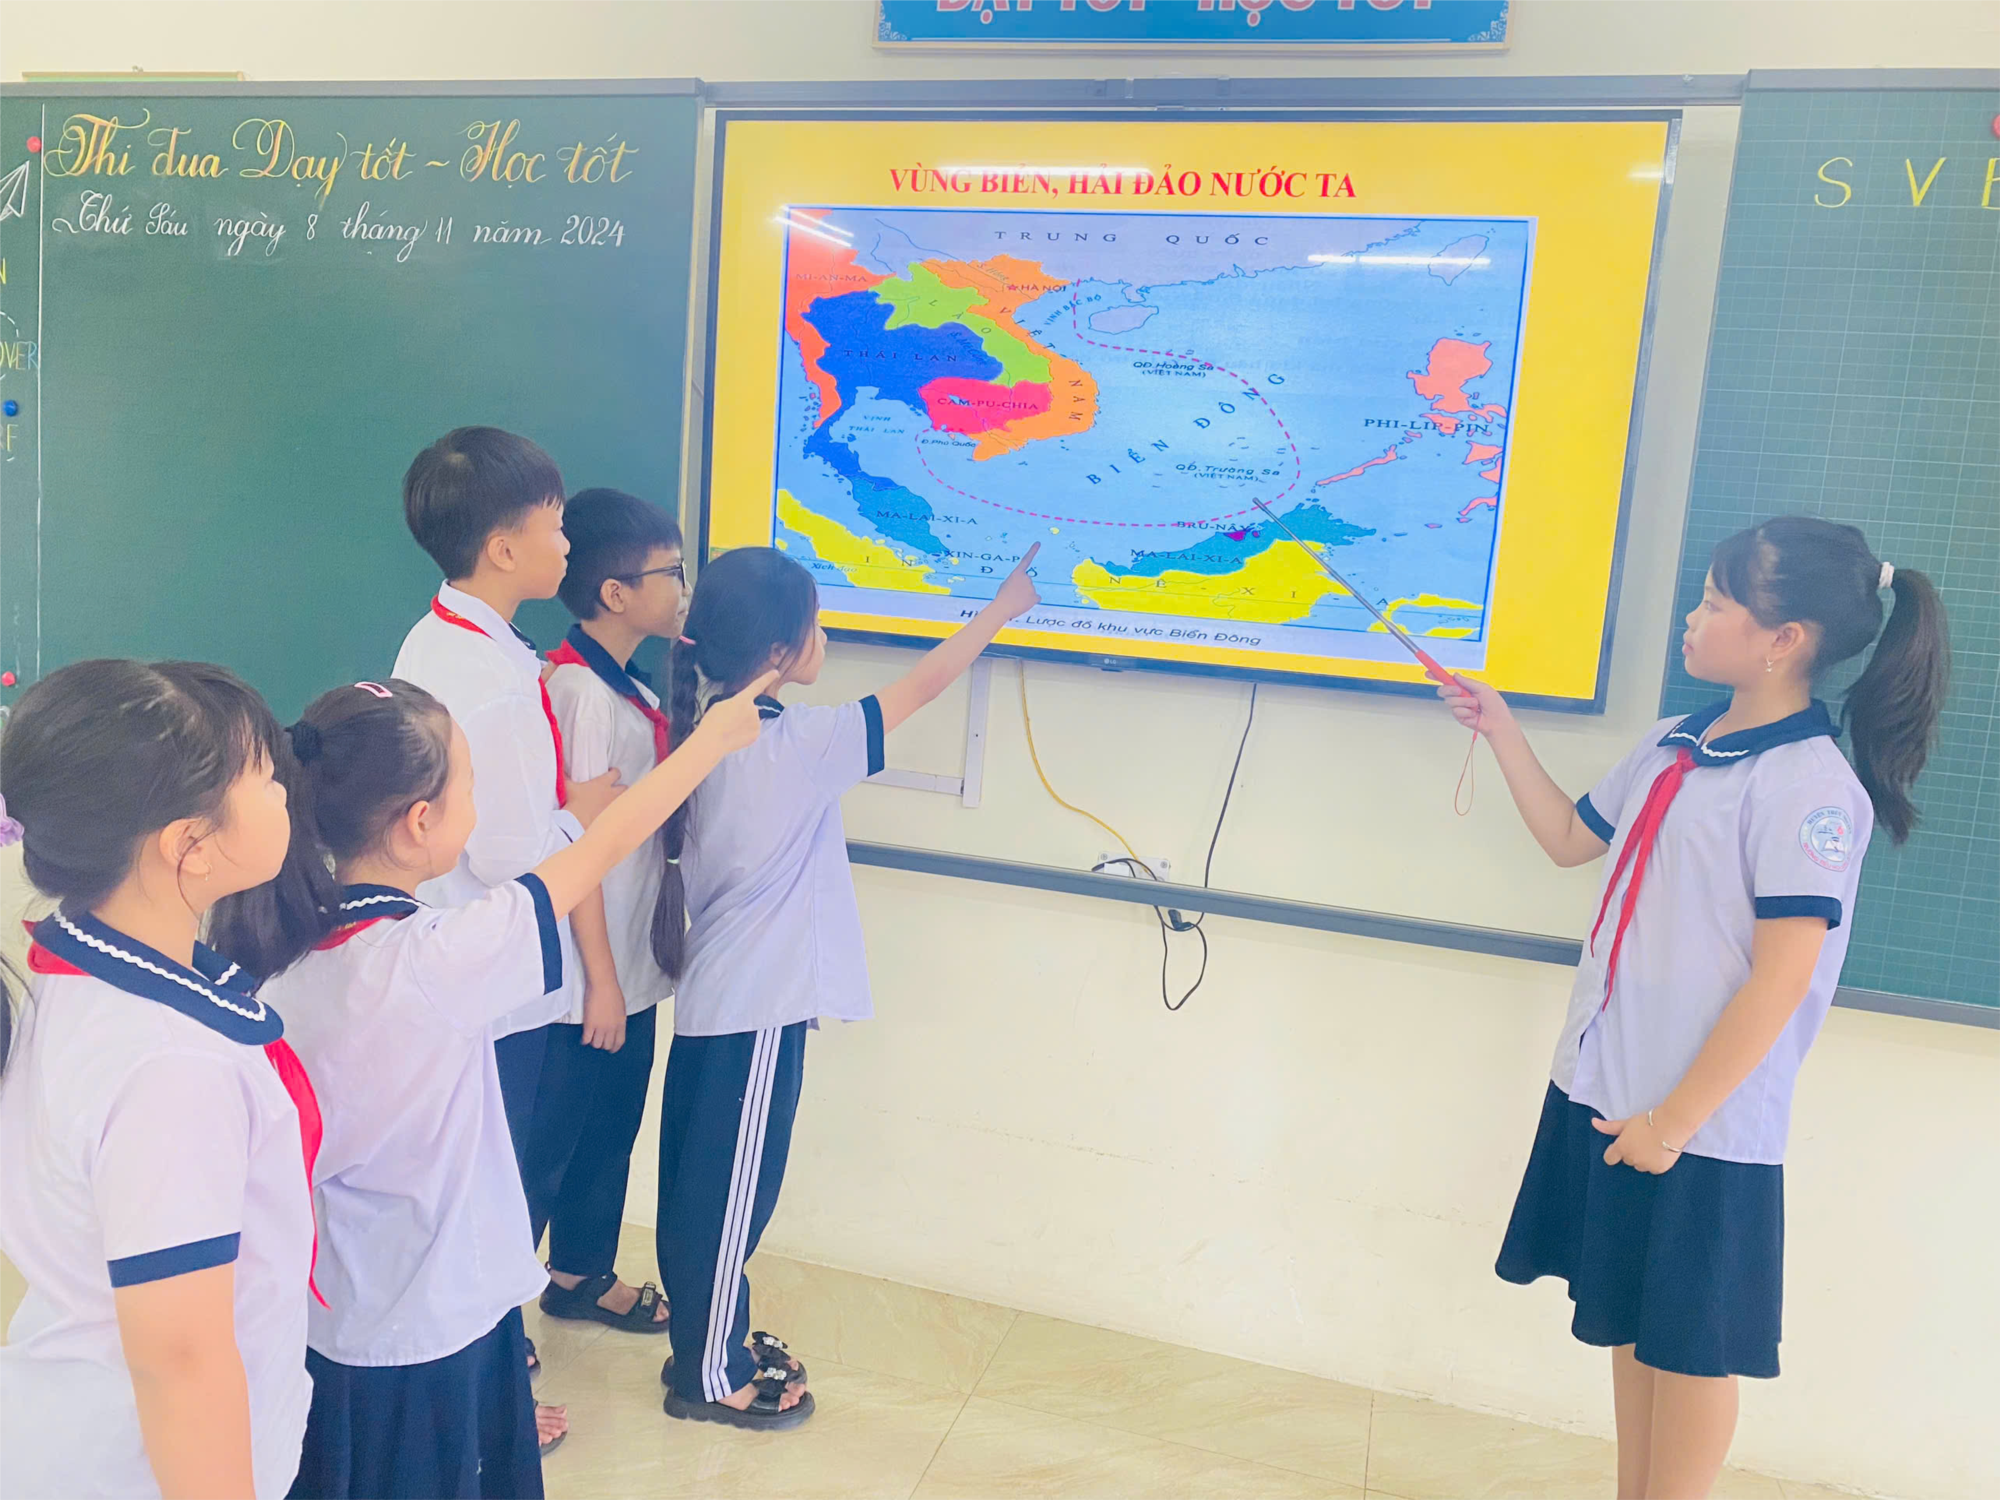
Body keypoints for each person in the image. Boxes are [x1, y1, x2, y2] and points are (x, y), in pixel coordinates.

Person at [1441, 517, 1950, 1500]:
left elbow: (1780, 980)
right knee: (1632, 1328)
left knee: (1691, 1350)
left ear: (1782, 639)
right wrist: (1500, 728)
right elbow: (1568, 839)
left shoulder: (1807, 788)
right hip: (1616, 1095)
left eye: (1716, 602)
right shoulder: (1674, 743)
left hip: (1701, 1127)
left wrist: (1671, 1125)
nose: (1692, 616)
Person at [207, 670, 772, 1500]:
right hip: (435, 1327)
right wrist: (710, 743)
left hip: (340, 1322)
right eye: (471, 786)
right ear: (420, 822)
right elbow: (599, 851)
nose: (479, 805)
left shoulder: (283, 949)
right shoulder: (433, 961)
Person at [653, 542, 1041, 1430]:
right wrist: (1000, 609)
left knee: (703, 1186)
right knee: (730, 1199)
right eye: (815, 624)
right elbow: (923, 687)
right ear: (778, 651)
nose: (824, 637)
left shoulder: (703, 730)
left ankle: (709, 1342)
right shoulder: (795, 743)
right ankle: (709, 1375)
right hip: (756, 1006)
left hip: (722, 996)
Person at [0, 660, 318, 1500]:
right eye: (264, 776)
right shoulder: (172, 1068)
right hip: (139, 1468)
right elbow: (181, 1364)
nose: (285, 790)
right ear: (190, 845)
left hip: (81, 1422)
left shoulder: (71, 965)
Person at [388, 427, 622, 1395]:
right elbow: (512, 853)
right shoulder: (486, 681)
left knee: (482, 1181)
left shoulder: (454, 638)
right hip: (491, 976)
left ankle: (490, 1361)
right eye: (556, 526)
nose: (568, 544)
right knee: (493, 1185)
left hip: (467, 964)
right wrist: (588, 813)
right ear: (502, 547)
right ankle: (486, 1378)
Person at [533, 489, 686, 1335]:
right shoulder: (578, 692)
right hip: (585, 977)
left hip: (628, 963)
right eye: (672, 573)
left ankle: (580, 1274)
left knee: (608, 1133)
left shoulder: (624, 684)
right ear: (616, 593)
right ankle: (493, 1329)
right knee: (545, 1148)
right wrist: (598, 980)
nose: (684, 589)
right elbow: (577, 850)